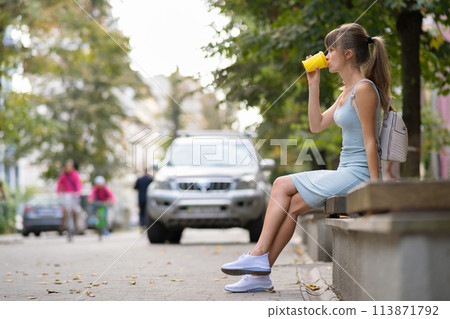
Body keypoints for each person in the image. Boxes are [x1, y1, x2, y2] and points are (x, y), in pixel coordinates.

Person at [221, 23, 390, 293]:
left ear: (347, 54)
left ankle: (257, 255)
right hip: (344, 171)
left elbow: (371, 141)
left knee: (280, 184)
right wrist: (314, 84)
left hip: (357, 174)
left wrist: (375, 188)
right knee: (292, 205)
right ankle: (259, 277)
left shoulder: (364, 89)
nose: (326, 55)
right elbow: (316, 124)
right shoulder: (346, 92)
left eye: (330, 50)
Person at [57, 160, 82, 233]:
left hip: (74, 194)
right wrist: (59, 192)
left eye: (69, 167)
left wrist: (79, 191)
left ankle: (76, 225)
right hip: (66, 194)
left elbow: (78, 183)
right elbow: (60, 184)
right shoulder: (63, 175)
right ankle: (63, 224)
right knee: (64, 209)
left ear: (72, 167)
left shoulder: (75, 174)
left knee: (74, 210)